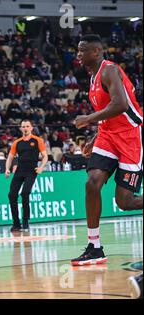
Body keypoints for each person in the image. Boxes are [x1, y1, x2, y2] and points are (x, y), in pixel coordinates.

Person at [72, 34, 143, 266]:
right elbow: (109, 112)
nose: (78, 54)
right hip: (108, 136)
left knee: (125, 202)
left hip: (131, 136)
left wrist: (89, 119)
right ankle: (95, 247)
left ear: (96, 51)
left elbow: (120, 104)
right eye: (78, 50)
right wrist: (95, 136)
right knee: (92, 182)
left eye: (82, 50)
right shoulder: (92, 78)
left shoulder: (109, 70)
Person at [5, 120, 48, 232]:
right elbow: (10, 157)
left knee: (25, 193)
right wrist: (7, 169)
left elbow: (45, 156)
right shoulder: (17, 142)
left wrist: (41, 167)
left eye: (27, 126)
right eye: (23, 126)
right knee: (12, 195)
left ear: (31, 128)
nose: (25, 128)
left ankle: (25, 221)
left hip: (31, 171)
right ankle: (16, 223)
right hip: (20, 170)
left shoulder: (38, 140)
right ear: (21, 128)